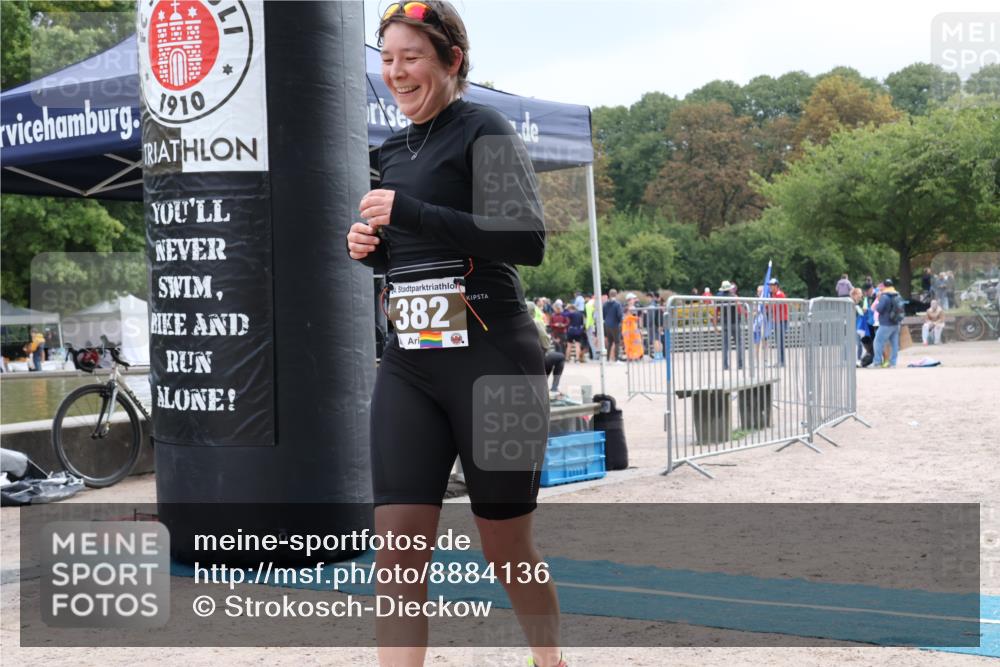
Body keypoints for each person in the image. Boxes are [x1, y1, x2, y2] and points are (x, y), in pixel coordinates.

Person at [344, 3, 562, 665]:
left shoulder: (482, 129)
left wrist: (410, 210)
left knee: (506, 546)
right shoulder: (389, 150)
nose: (396, 72)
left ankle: (548, 658)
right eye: (387, 59)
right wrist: (371, 250)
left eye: (411, 57)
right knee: (399, 547)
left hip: (495, 362)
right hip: (411, 362)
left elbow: (527, 239)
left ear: (451, 61)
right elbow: (413, 249)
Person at [872, 278, 902, 368]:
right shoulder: (897, 294)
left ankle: (877, 362)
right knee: (894, 344)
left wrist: (878, 301)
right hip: (896, 323)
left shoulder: (884, 296)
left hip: (885, 324)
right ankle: (893, 363)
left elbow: (879, 309)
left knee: (877, 342)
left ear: (884, 286)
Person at [714, 280, 743, 370]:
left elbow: (716, 311)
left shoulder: (718, 297)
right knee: (738, 343)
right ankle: (740, 364)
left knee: (725, 345)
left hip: (725, 323)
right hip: (734, 322)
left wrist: (715, 325)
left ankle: (725, 365)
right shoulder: (733, 296)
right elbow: (739, 308)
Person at [768, 278, 788, 366]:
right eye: (770, 286)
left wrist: (768, 305)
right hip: (777, 320)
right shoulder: (773, 295)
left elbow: (775, 307)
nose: (770, 287)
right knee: (778, 341)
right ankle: (781, 361)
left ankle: (782, 361)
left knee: (780, 341)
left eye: (771, 286)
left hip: (781, 320)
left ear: (776, 286)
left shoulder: (779, 294)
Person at [602, 288, 624, 362]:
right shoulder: (617, 304)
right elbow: (620, 314)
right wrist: (621, 322)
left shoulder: (605, 304)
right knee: (617, 342)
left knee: (610, 342)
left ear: (609, 294)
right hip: (615, 324)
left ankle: (607, 359)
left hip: (607, 324)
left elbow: (603, 315)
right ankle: (616, 359)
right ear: (616, 294)